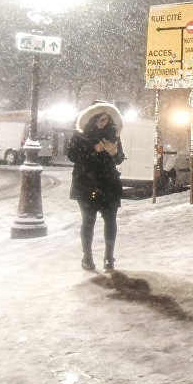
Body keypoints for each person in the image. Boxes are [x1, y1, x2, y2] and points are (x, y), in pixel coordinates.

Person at [67, 102, 125, 272]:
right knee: (88, 221)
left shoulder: (113, 135)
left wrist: (115, 153)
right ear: (92, 118)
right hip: (86, 183)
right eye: (100, 118)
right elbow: (72, 155)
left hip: (108, 183)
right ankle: (87, 257)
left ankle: (109, 257)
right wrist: (94, 149)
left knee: (110, 220)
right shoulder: (80, 135)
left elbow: (119, 158)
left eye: (106, 119)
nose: (103, 121)